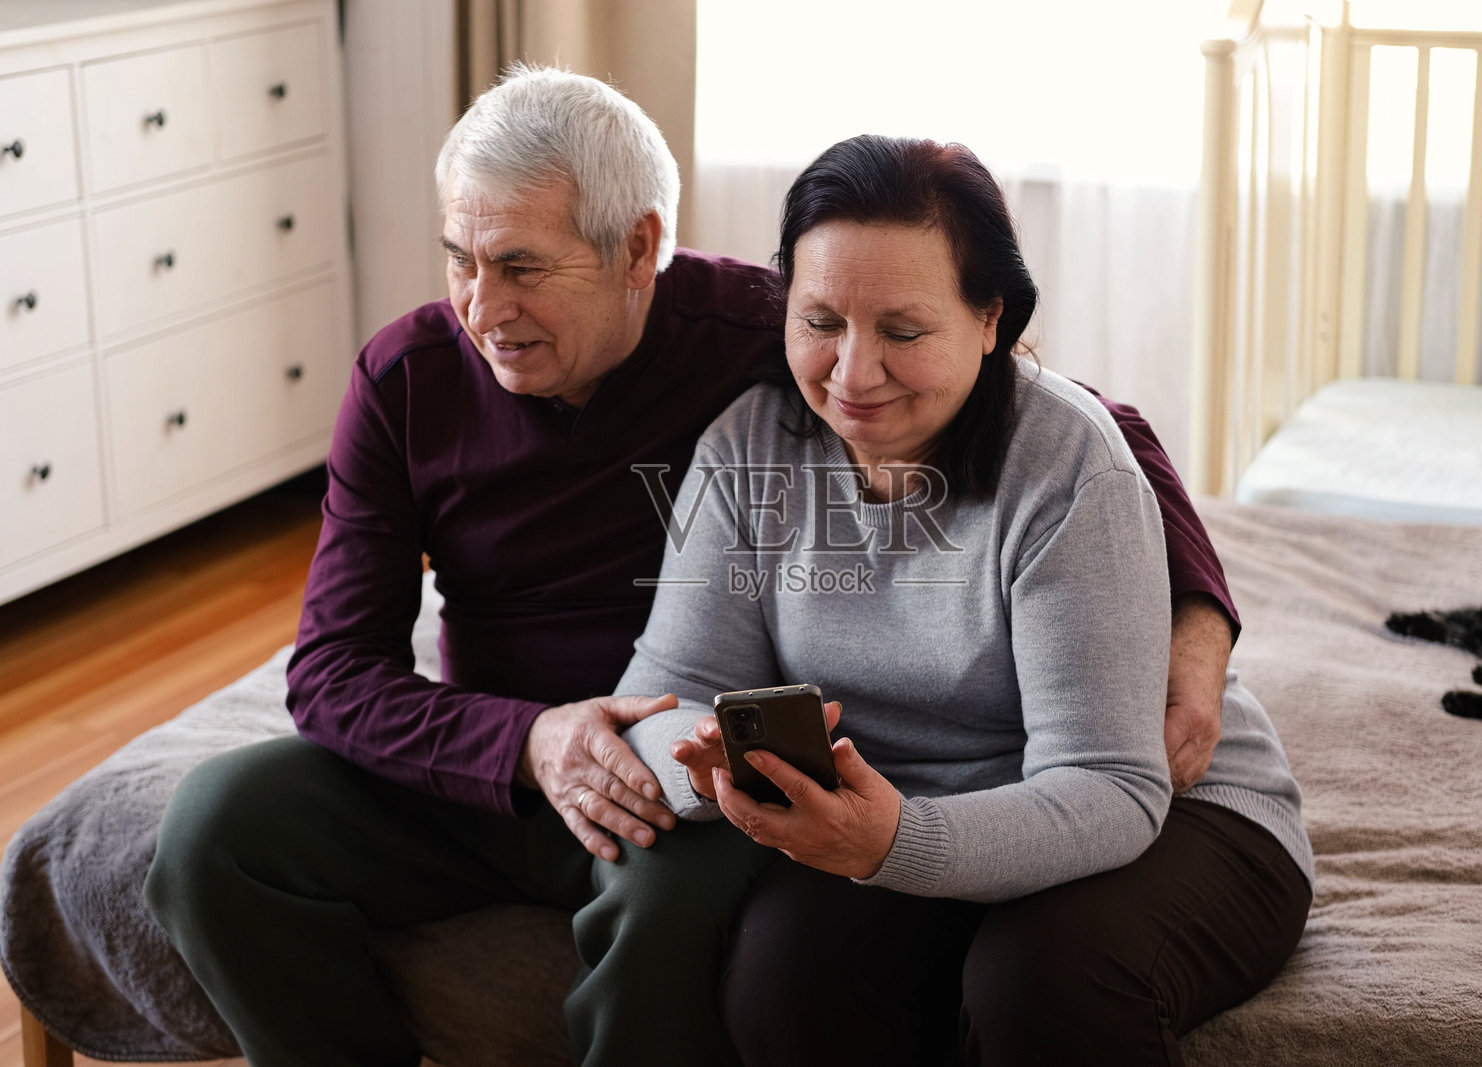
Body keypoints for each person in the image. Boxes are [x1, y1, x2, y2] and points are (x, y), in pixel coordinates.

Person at [143, 66, 1243, 1066]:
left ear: (638, 249)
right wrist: (528, 740)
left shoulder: (758, 332)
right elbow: (331, 669)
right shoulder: (408, 376)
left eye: (522, 265)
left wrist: (1199, 620)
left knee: (701, 925)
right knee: (215, 827)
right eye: (459, 260)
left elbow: (1062, 414)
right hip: (514, 752)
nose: (481, 307)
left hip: (687, 769)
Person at [589, 134, 1315, 1066]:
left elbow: (1111, 785)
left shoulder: (1065, 464)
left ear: (989, 322)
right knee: (781, 976)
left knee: (1035, 982)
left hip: (1175, 808)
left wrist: (897, 839)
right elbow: (666, 689)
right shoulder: (749, 447)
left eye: (902, 331)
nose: (852, 373)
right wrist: (703, 767)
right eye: (820, 321)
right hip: (910, 813)